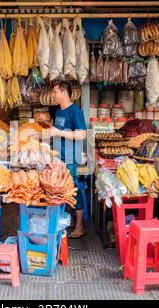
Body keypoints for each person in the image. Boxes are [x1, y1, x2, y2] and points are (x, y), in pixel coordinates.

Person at [49, 81, 87, 239]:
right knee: (64, 190)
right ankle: (70, 221)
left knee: (74, 190)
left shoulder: (75, 112)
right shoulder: (58, 111)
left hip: (71, 157)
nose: (53, 95)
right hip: (59, 157)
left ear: (64, 92)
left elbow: (82, 134)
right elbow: (58, 132)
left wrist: (58, 132)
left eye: (55, 92)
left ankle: (80, 227)